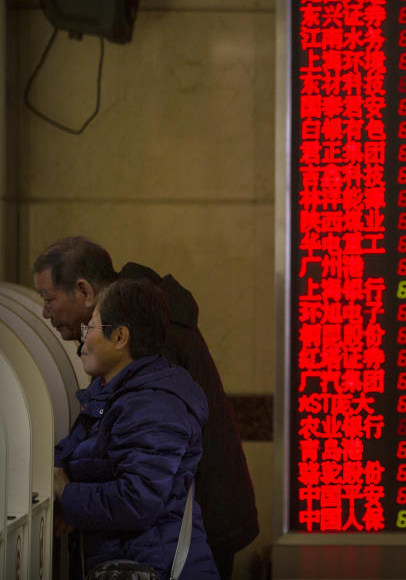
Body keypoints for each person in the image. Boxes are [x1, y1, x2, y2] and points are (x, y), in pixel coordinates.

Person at [35, 236, 258, 578]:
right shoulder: (126, 361)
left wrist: (68, 494)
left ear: (84, 291)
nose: (45, 312)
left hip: (176, 546)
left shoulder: (149, 368)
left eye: (49, 299)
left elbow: (138, 493)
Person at [54, 278, 220, 579]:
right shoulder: (112, 393)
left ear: (119, 337)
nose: (82, 340)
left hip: (154, 567)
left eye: (90, 327)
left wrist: (66, 494)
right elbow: (70, 454)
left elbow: (136, 500)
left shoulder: (154, 404)